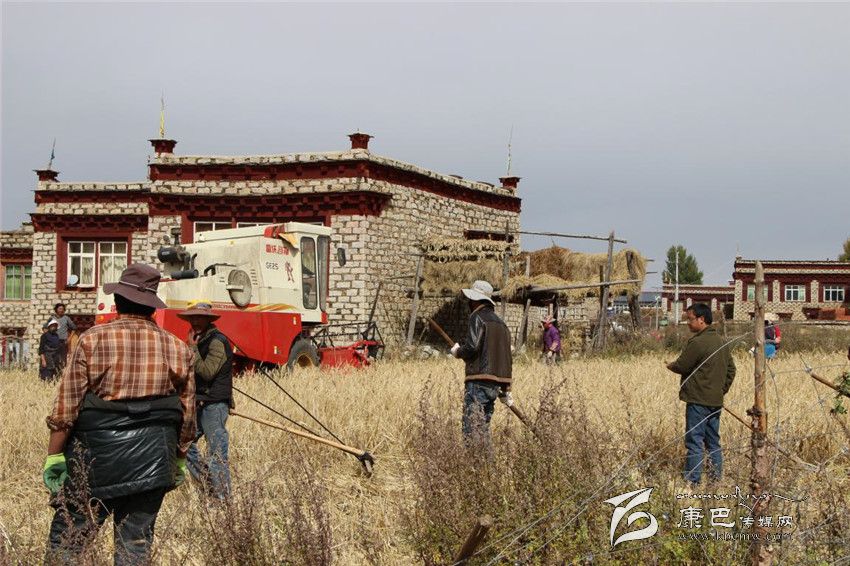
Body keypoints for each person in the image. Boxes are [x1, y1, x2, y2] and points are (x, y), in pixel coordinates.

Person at [43, 263, 195, 565]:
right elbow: (187, 415)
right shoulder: (179, 348)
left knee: (68, 546)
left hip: (94, 461)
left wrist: (54, 455)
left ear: (117, 301)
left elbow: (66, 407)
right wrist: (178, 458)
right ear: (153, 306)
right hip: (154, 462)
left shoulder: (91, 340)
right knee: (134, 549)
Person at [666, 303, 736, 485]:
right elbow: (731, 370)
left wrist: (670, 365)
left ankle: (692, 481)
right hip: (715, 401)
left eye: (690, 319)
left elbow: (682, 365)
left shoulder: (697, 342)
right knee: (713, 442)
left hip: (697, 401)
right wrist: (721, 390)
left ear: (701, 319)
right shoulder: (722, 342)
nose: (688, 323)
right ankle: (715, 480)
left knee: (694, 441)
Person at [178, 302, 233, 500]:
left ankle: (223, 500)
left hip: (215, 405)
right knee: (184, 444)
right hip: (202, 403)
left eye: (199, 318)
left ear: (208, 320)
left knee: (216, 453)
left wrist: (192, 348)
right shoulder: (200, 340)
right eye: (192, 318)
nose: (195, 321)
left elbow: (208, 372)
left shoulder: (217, 341)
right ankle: (209, 486)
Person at [450, 280, 512, 445]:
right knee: (483, 429)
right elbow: (506, 358)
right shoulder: (502, 325)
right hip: (494, 387)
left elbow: (472, 347)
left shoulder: (476, 317)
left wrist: (458, 351)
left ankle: (474, 461)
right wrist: (506, 388)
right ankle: (486, 462)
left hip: (478, 382)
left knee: (471, 430)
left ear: (475, 299)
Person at [48, 303, 76, 369]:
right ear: (56, 309)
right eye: (60, 309)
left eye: (63, 309)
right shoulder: (52, 318)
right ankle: (54, 372)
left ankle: (62, 372)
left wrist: (69, 338)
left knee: (63, 358)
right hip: (53, 342)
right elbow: (45, 328)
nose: (61, 310)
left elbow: (74, 328)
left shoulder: (66, 318)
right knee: (54, 357)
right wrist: (48, 337)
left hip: (63, 341)